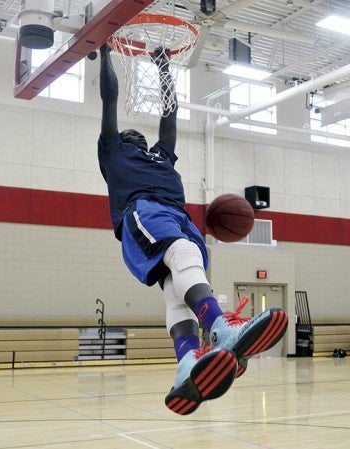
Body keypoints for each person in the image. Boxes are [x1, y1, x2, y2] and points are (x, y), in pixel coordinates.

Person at [97, 43, 288, 415]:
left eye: (139, 134)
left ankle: (187, 363)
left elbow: (170, 115)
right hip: (144, 211)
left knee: (177, 290)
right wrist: (105, 51)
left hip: (177, 215)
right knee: (184, 256)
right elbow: (110, 97)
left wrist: (165, 68)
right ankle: (219, 328)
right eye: (128, 134)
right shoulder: (113, 152)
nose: (136, 135)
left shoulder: (161, 156)